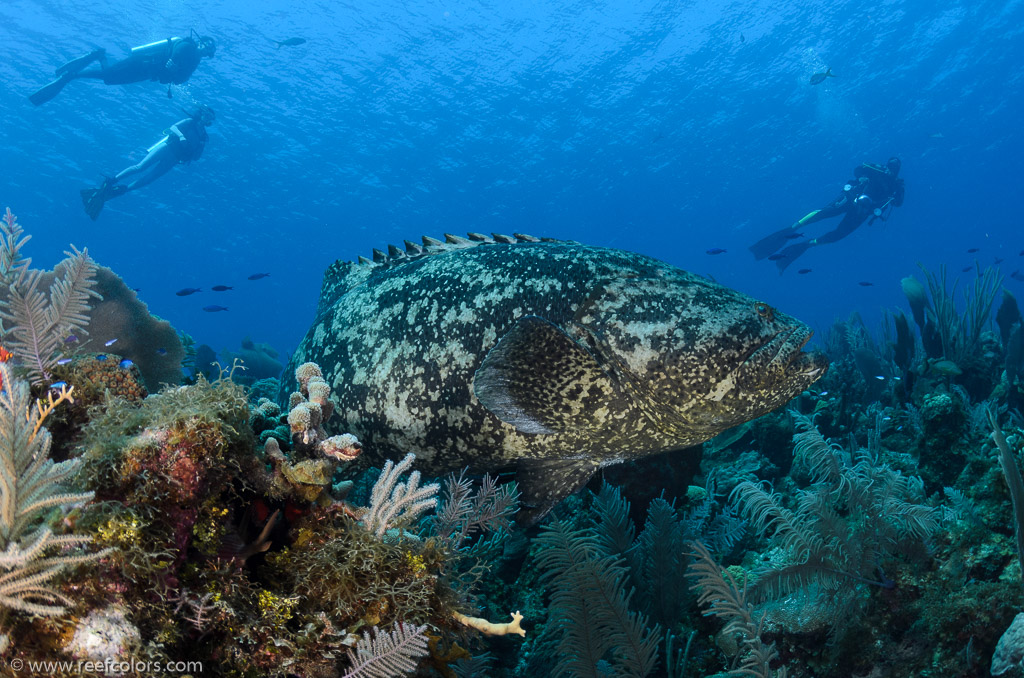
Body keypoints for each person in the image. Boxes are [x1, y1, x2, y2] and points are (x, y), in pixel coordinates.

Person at [750, 157, 905, 273]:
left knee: (839, 234)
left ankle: (807, 243)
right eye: (891, 166)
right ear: (887, 164)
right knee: (825, 213)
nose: (892, 170)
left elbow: (898, 203)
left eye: (895, 168)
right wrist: (862, 177)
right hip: (851, 197)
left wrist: (899, 190)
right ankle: (792, 229)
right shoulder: (877, 168)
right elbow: (858, 169)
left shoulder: (897, 185)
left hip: (864, 210)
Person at [80, 105, 215, 220]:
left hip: (174, 159)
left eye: (211, 118)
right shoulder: (190, 121)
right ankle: (111, 181)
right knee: (140, 167)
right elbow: (173, 127)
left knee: (149, 179)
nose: (207, 118)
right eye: (207, 114)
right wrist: (181, 137)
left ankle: (121, 190)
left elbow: (196, 157)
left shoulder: (204, 136)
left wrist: (200, 147)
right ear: (202, 113)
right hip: (167, 148)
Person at [30, 31, 216, 106]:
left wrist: (175, 72)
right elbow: (178, 49)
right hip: (143, 63)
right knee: (108, 75)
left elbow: (180, 80)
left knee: (109, 79)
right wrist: (174, 64)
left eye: (209, 51)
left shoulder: (195, 63)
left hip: (147, 73)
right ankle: (72, 76)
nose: (206, 50)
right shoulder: (188, 45)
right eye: (207, 45)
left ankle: (99, 56)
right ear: (201, 42)